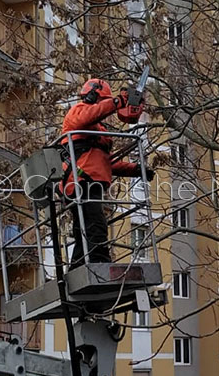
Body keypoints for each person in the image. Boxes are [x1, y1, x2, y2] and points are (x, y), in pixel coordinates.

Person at [61, 78, 153, 266]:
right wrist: (118, 101)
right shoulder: (78, 112)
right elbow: (89, 115)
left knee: (84, 227)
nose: (106, 107)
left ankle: (79, 264)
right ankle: (99, 263)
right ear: (93, 96)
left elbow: (106, 162)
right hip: (81, 180)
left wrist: (136, 169)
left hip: (88, 180)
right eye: (104, 101)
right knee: (96, 224)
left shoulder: (96, 129)